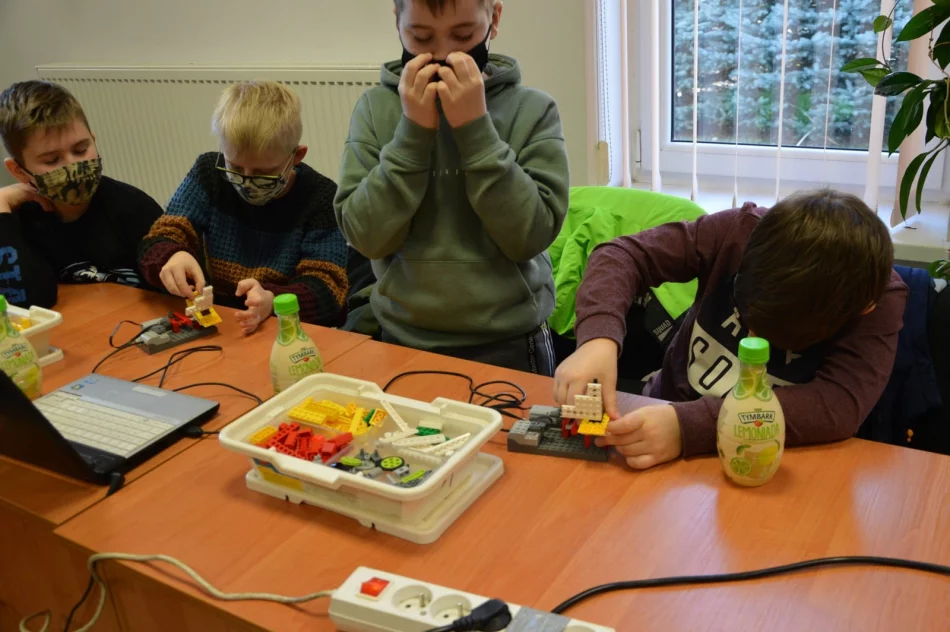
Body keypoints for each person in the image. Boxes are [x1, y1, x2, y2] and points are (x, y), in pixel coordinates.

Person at [554, 190, 908, 470]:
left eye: (769, 336)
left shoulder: (876, 300)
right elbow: (622, 255)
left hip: (768, 457)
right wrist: (598, 340)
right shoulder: (738, 231)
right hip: (664, 413)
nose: (749, 335)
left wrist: (687, 427)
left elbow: (838, 406)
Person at [334, 0, 570, 375]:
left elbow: (530, 236)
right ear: (397, 23)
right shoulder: (375, 109)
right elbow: (365, 236)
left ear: (494, 18)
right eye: (421, 37)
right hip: (404, 336)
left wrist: (475, 130)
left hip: (510, 340)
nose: (443, 55)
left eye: (462, 35)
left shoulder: (533, 110)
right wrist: (412, 134)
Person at [139, 81, 348, 335]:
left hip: (284, 332)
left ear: (296, 156)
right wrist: (171, 256)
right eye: (235, 168)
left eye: (263, 173)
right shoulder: (209, 173)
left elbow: (329, 292)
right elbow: (158, 239)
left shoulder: (321, 198)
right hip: (223, 325)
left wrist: (273, 301)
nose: (247, 182)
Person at [0, 80, 162, 307]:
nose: (72, 166)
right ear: (18, 171)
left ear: (93, 140)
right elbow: (24, 301)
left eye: (81, 150)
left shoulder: (134, 208)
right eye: (52, 160)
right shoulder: (19, 220)